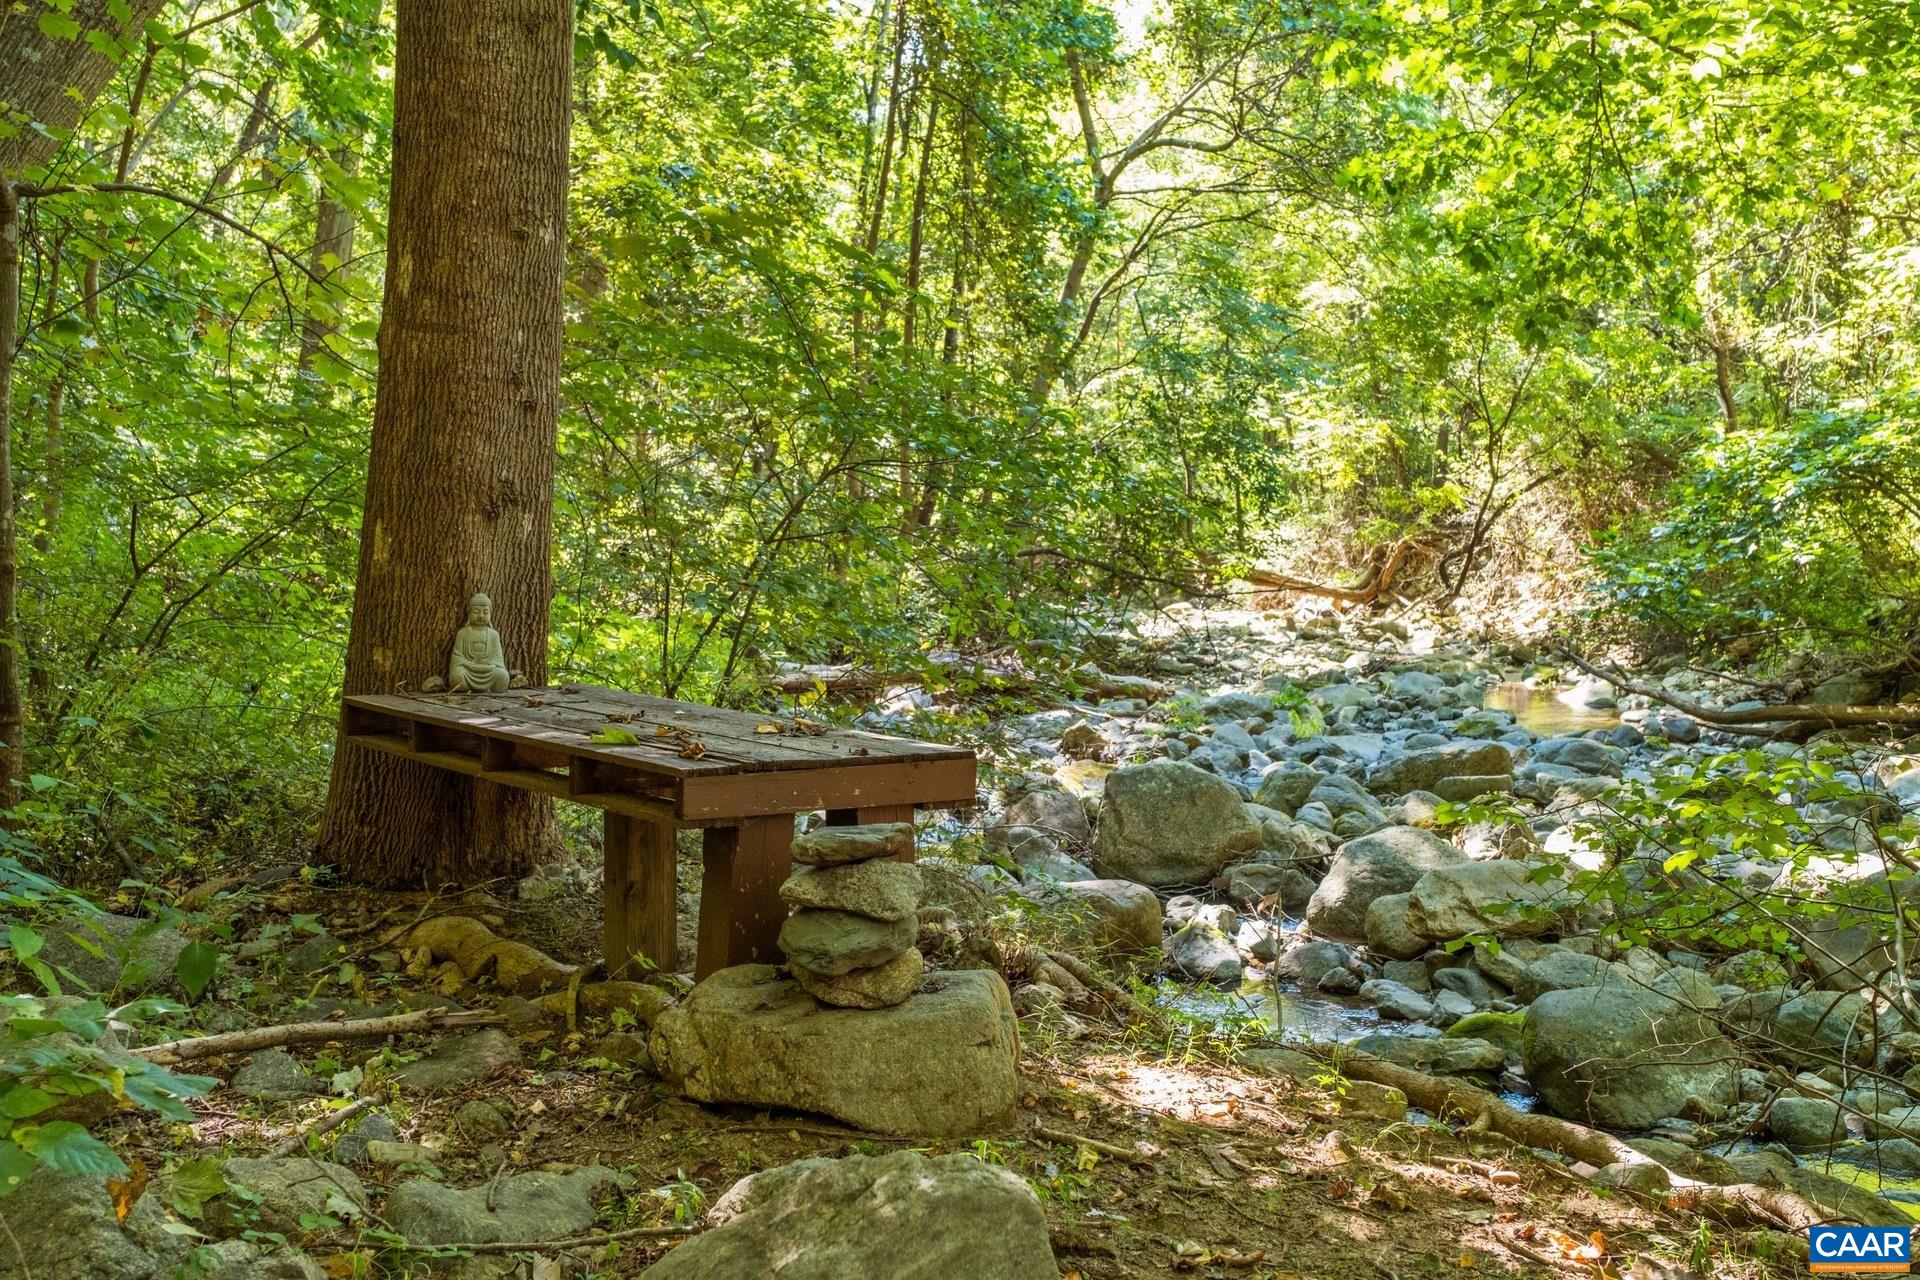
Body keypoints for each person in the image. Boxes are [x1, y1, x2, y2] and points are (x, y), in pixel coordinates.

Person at [448, 593, 512, 692]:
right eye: (476, 612)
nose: (481, 616)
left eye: (485, 612)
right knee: (457, 675)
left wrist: (491, 664)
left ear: (490, 614)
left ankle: (490, 687)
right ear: (469, 614)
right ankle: (465, 687)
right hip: (468, 669)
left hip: (488, 670)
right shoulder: (463, 633)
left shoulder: (493, 634)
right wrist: (469, 664)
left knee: (502, 676)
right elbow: (457, 657)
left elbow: (498, 658)